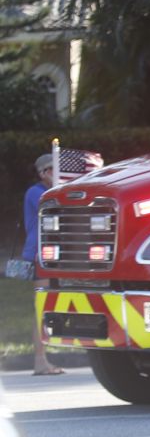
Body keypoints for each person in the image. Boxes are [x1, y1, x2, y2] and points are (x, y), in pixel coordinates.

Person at [22, 154, 64, 376]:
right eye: (55, 170)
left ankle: (43, 360)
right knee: (42, 307)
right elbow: (54, 206)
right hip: (40, 257)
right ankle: (40, 361)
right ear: (44, 173)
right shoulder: (36, 193)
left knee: (47, 306)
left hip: (52, 256)